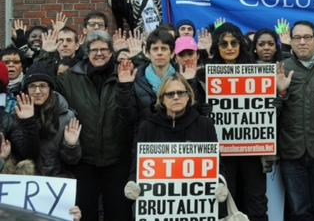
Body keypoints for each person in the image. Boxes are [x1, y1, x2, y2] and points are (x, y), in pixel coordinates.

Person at [55, 31, 135, 221]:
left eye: (104, 49)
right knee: (84, 214)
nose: (99, 53)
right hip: (84, 161)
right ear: (86, 51)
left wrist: (125, 87)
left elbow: (131, 116)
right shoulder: (71, 78)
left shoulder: (123, 74)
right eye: (94, 50)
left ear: (111, 52)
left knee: (118, 213)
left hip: (116, 160)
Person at [276, 20, 314, 221]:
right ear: (290, 42)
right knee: (299, 212)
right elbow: (268, 114)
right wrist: (281, 93)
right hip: (291, 152)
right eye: (297, 38)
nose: (302, 42)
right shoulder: (281, 68)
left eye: (307, 37)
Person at [123, 75, 219, 200]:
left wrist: (220, 183)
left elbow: (217, 163)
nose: (176, 97)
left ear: (188, 96)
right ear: (162, 99)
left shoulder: (204, 124)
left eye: (180, 93)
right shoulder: (147, 127)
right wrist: (132, 181)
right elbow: (137, 162)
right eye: (170, 94)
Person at [211, 22, 267, 221]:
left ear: (241, 45)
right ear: (216, 47)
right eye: (223, 44)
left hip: (252, 151)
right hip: (221, 154)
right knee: (225, 204)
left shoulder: (258, 72)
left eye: (233, 43)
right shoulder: (204, 74)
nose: (229, 48)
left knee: (257, 203)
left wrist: (277, 101)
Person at [15, 71, 82, 176]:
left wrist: (71, 145)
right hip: (25, 179)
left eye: (42, 86)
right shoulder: (18, 113)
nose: (37, 91)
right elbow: (26, 154)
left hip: (56, 180)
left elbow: (72, 161)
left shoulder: (66, 116)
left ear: (50, 89)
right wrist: (27, 122)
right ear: (26, 90)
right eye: (32, 86)